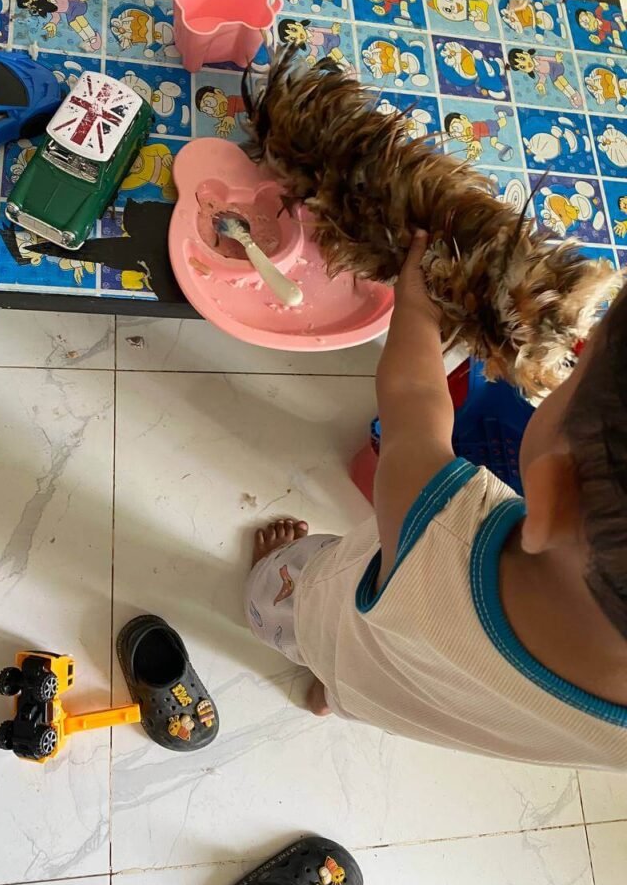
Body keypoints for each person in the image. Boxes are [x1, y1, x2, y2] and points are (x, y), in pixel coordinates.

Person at [246, 232, 627, 769]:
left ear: (554, 494)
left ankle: (276, 590)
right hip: (413, 706)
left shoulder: (439, 525)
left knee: (293, 598)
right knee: (373, 691)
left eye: (572, 379)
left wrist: (417, 307)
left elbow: (412, 397)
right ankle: (330, 697)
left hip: (341, 633)